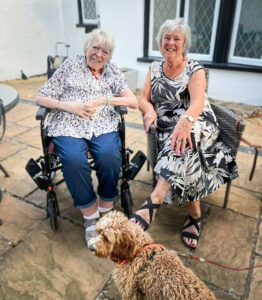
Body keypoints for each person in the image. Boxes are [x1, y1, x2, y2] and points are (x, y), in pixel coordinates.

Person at [131, 18, 238, 249]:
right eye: (166, 38)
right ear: (160, 42)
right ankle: (195, 215)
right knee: (185, 149)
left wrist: (186, 121)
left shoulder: (194, 68)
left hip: (197, 121)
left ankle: (156, 198)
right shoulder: (153, 68)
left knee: (185, 138)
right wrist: (149, 110)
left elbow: (198, 102)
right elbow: (143, 98)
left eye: (176, 38)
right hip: (168, 127)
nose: (171, 42)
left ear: (184, 43)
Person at [36, 29, 138, 243]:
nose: (99, 55)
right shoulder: (70, 65)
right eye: (95, 48)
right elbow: (41, 97)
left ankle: (106, 207)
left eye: (106, 51)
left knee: (110, 155)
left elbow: (133, 101)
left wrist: (105, 101)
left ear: (109, 56)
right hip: (68, 123)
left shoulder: (112, 71)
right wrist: (69, 107)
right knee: (73, 159)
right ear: (86, 48)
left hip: (102, 123)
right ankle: (90, 217)